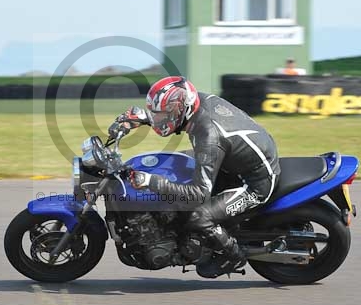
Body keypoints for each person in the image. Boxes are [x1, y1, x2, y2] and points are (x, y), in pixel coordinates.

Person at [108, 76, 281, 277]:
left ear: (183, 108)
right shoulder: (196, 103)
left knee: (199, 216)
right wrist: (144, 117)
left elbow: (199, 195)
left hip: (255, 182)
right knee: (175, 165)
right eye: (159, 113)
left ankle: (234, 256)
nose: (161, 118)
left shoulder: (208, 136)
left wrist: (151, 182)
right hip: (233, 161)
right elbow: (174, 114)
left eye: (163, 114)